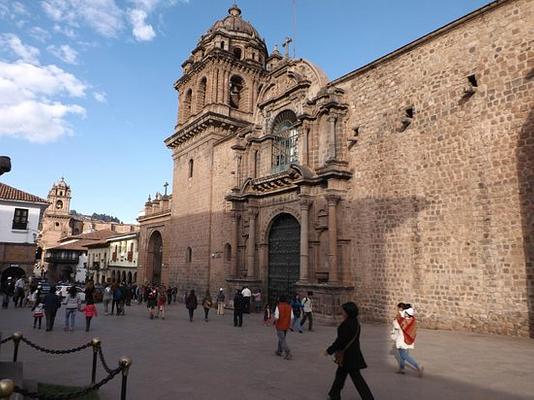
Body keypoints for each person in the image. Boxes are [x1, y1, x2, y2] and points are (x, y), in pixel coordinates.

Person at [325, 302, 374, 400]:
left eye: (343, 310)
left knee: (357, 379)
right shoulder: (355, 322)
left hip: (348, 356)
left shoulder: (346, 325)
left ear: (348, 312)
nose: (342, 312)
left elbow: (340, 341)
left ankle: (368, 398)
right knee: (340, 376)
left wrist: (329, 350)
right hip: (352, 354)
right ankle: (334, 395)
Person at [391, 305, 424, 377]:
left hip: (401, 339)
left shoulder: (401, 320)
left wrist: (395, 320)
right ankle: (402, 369)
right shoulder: (412, 319)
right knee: (402, 355)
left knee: (403, 355)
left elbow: (396, 327)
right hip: (408, 340)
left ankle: (418, 366)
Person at [273, 294, 293, 360]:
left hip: (280, 325)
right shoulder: (289, 307)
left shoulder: (278, 307)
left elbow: (276, 317)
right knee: (281, 338)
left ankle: (288, 352)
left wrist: (274, 322)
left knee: (282, 339)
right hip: (286, 325)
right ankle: (279, 350)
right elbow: (292, 317)